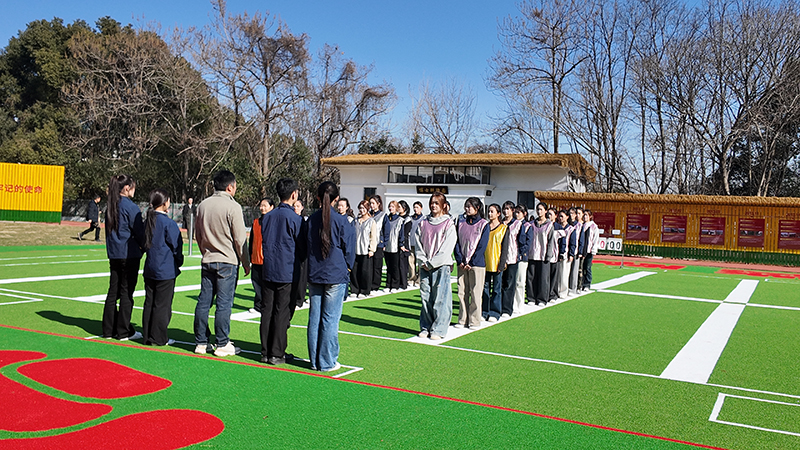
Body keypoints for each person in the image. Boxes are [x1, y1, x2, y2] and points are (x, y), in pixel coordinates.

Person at [193, 170, 250, 357]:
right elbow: (240, 239)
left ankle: (201, 342)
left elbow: (198, 235)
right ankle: (222, 342)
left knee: (204, 301)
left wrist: (205, 251)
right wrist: (246, 262)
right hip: (227, 261)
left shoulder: (202, 205)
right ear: (230, 187)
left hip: (208, 258)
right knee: (224, 304)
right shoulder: (233, 207)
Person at [306, 181, 356, 372]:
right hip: (335, 273)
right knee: (330, 320)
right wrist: (348, 269)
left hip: (316, 273)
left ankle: (315, 360)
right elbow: (349, 250)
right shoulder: (342, 220)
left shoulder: (311, 220)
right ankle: (326, 361)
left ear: (318, 197)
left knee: (315, 318)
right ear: (336, 199)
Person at [259, 179, 304, 365]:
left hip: (269, 269)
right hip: (286, 270)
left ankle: (265, 351)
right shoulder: (295, 218)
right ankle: (277, 353)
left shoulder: (268, 217)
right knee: (281, 312)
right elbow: (301, 247)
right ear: (293, 194)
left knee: (267, 311)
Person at [102, 174, 145, 341]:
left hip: (114, 253)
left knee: (113, 291)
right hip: (129, 254)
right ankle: (123, 330)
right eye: (133, 187)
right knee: (127, 293)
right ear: (127, 188)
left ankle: (108, 329)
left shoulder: (111, 206)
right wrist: (144, 247)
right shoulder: (131, 207)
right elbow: (139, 232)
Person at [141, 188, 183, 346]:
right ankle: (158, 337)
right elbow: (176, 246)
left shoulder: (148, 221)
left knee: (149, 302)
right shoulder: (168, 223)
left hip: (150, 267)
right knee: (162, 305)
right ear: (165, 203)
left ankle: (147, 336)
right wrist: (178, 261)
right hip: (165, 269)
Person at [415, 192, 457, 340]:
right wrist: (423, 261)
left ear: (443, 205)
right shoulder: (423, 222)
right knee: (426, 297)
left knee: (441, 298)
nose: (433, 205)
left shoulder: (448, 223)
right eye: (432, 202)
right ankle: (426, 326)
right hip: (425, 265)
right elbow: (418, 243)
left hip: (441, 266)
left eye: (437, 203)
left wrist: (433, 262)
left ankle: (439, 329)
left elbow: (447, 246)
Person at [453, 197, 489, 329]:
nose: (467, 209)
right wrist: (460, 259)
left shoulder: (484, 224)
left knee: (475, 292)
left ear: (477, 208)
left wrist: (471, 261)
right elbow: (456, 241)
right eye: (466, 206)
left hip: (477, 264)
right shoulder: (460, 222)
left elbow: (482, 245)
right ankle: (462, 319)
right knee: (462, 292)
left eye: (470, 206)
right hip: (462, 263)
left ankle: (474, 320)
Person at [482, 204, 509, 322]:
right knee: (485, 287)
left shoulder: (504, 228)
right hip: (484, 261)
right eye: (489, 211)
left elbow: (505, 247)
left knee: (497, 288)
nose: (490, 214)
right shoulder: (485, 227)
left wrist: (502, 263)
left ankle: (495, 312)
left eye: (492, 212)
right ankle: (484, 311)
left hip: (497, 262)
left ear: (498, 214)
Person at [248, 198, 274, 315]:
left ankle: (266, 305)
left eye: (265, 205)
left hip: (268, 259)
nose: (262, 208)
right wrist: (249, 256)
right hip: (256, 258)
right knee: (256, 282)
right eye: (261, 205)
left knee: (267, 285)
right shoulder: (255, 222)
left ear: (271, 207)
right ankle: (258, 305)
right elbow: (252, 240)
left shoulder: (274, 222)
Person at [527, 202, 554, 306]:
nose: (539, 211)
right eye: (538, 209)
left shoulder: (549, 225)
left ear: (545, 211)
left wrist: (548, 254)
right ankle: (531, 297)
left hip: (543, 255)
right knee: (531, 277)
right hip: (532, 254)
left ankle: (542, 299)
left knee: (543, 278)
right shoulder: (532, 224)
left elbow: (551, 241)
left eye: (541, 209)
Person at [351, 200, 377, 298]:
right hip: (356, 249)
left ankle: (364, 290)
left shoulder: (371, 221)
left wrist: (372, 249)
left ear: (367, 209)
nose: (361, 210)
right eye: (360, 208)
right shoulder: (356, 221)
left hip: (365, 250)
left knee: (365, 271)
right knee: (355, 270)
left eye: (363, 208)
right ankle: (354, 289)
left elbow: (373, 236)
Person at [500, 201, 521, 318]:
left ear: (513, 211)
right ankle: (499, 306)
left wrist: (521, 254)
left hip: (512, 257)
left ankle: (507, 309)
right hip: (499, 258)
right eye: (504, 209)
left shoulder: (517, 224)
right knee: (500, 283)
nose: (506, 211)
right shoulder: (500, 223)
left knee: (510, 283)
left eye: (508, 209)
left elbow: (521, 240)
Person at [369, 195, 390, 292]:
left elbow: (386, 231)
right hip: (369, 244)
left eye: (373, 203)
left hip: (379, 243)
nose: (371, 205)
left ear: (378, 204)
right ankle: (369, 283)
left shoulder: (383, 215)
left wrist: (384, 243)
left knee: (377, 266)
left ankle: (375, 285)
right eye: (370, 203)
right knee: (369, 266)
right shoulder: (369, 215)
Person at [513, 205, 531, 314]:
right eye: (516, 212)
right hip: (512, 256)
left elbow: (528, 243)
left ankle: (519, 304)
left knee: (520, 281)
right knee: (511, 281)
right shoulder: (513, 224)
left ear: (524, 214)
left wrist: (521, 252)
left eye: (519, 212)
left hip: (521, 257)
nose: (516, 214)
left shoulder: (528, 226)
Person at [581, 210, 600, 292]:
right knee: (581, 267)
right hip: (581, 250)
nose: (585, 217)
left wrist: (593, 249)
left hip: (589, 250)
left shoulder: (593, 226)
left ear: (590, 216)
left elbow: (595, 239)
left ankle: (587, 284)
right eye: (584, 215)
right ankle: (581, 283)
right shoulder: (581, 225)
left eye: (586, 215)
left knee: (587, 267)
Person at [407, 201, 424, 287]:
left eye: (417, 207)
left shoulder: (424, 219)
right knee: (411, 262)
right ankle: (412, 278)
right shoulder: (411, 218)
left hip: (420, 244)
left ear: (421, 208)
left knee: (420, 262)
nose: (415, 209)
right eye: (414, 207)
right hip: (411, 243)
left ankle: (419, 279)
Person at [568, 208, 585, 296]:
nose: (571, 215)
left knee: (574, 271)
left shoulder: (579, 226)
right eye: (570, 213)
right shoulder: (566, 224)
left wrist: (580, 251)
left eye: (573, 213)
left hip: (576, 250)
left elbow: (581, 239)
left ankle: (573, 288)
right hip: (567, 250)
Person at [397, 200, 412, 290]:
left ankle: (404, 283)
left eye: (399, 207)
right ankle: (397, 282)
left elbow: (406, 232)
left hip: (404, 244)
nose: (398, 209)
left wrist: (402, 243)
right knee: (397, 264)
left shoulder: (407, 219)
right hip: (396, 243)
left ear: (404, 208)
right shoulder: (396, 218)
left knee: (403, 265)